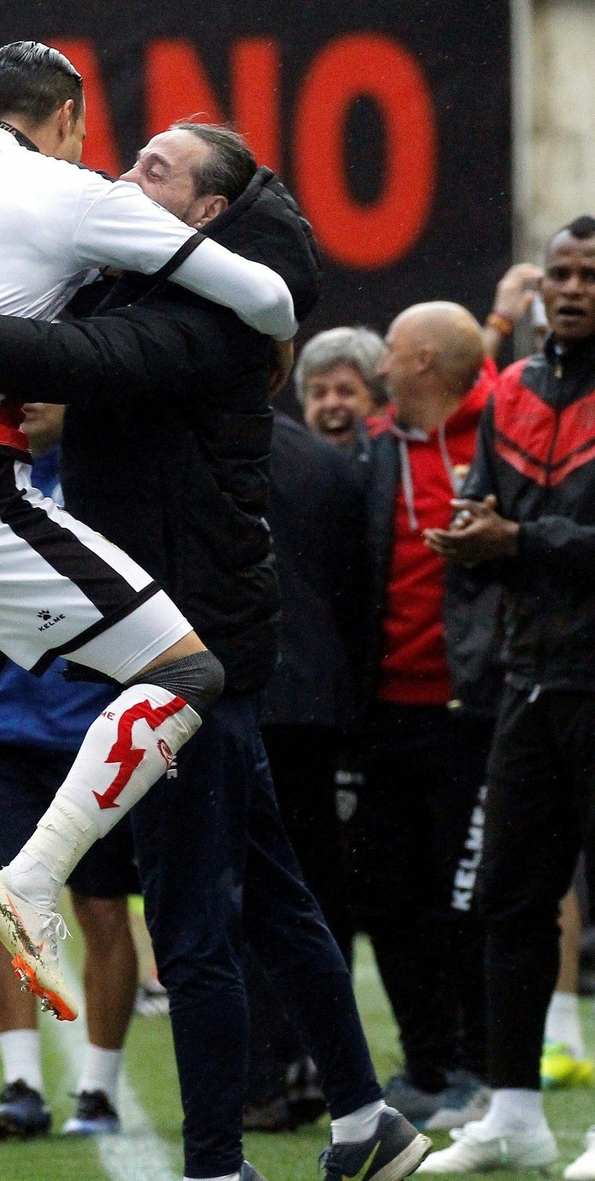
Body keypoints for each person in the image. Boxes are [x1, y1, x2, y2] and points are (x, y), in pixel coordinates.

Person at [0, 121, 429, 1181]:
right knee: (275, 900)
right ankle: (367, 1122)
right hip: (176, 629)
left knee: (191, 929)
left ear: (207, 214)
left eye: (156, 168)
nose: (122, 171)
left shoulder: (210, 320)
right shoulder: (151, 286)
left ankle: (213, 1161)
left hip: (183, 649)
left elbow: (79, 356)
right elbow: (40, 296)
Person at [0, 42, 297, 1020]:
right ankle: (33, 879)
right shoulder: (73, 194)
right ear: (68, 116)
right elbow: (270, 298)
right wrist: (258, 327)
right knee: (186, 674)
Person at [421, 216, 595, 1179]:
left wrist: (515, 541)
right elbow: (494, 510)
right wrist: (472, 534)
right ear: (541, 289)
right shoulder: (511, 390)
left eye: (593, 276)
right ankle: (514, 1114)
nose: (574, 289)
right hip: (529, 675)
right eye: (562, 274)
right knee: (509, 899)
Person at [0, 402, 140, 1141]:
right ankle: (21, 1083)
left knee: (102, 906)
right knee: (3, 905)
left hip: (93, 727)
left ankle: (99, 1089)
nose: (26, 400)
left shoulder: (109, 482)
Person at [347, 303, 496, 1133]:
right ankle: (427, 1062)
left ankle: (483, 1066)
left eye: (393, 352)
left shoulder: (503, 442)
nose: (381, 367)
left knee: (467, 899)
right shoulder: (374, 450)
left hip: (471, 715)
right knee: (389, 897)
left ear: (426, 362)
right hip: (384, 713)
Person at [242, 406, 364, 1132]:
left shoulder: (199, 445)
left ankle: (258, 1077)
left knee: (237, 889)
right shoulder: (327, 465)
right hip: (317, 701)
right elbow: (357, 592)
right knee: (316, 890)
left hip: (235, 693)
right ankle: (321, 1061)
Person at [295, 326, 387, 450]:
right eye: (319, 393)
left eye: (345, 392)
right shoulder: (286, 458)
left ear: (379, 400)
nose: (331, 404)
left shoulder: (402, 458)